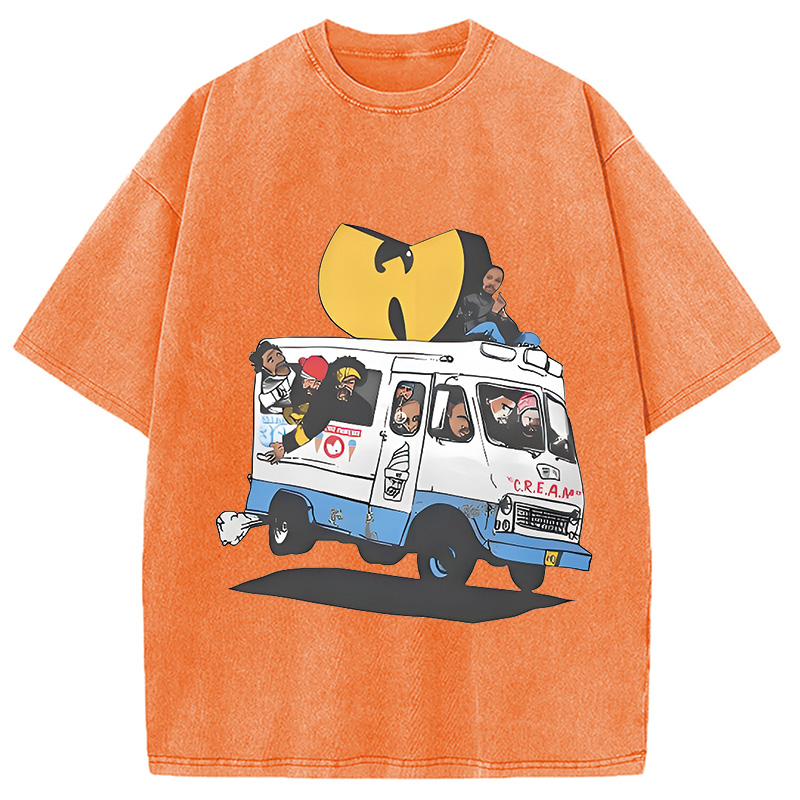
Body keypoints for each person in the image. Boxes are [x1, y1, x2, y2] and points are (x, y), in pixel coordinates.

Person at [261, 356, 371, 463]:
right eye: (339, 379)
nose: (342, 385)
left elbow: (314, 424)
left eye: (349, 382)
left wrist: (286, 446)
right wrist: (286, 446)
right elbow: (312, 424)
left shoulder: (362, 407)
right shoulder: (319, 394)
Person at [459, 265, 541, 346]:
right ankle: (504, 350)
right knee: (491, 326)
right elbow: (467, 324)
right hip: (473, 336)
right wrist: (493, 313)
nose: (492, 283)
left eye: (497, 281)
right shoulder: (470, 299)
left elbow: (514, 332)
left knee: (531, 337)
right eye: (489, 278)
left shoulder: (494, 302)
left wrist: (504, 316)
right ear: (482, 278)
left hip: (498, 338)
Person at [282, 355, 328, 426]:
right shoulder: (289, 380)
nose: (305, 386)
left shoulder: (320, 394)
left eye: (317, 384)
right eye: (305, 381)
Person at [249, 340, 293, 412]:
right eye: (270, 359)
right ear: (264, 369)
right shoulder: (268, 384)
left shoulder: (296, 371)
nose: (277, 359)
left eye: (278, 354)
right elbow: (266, 403)